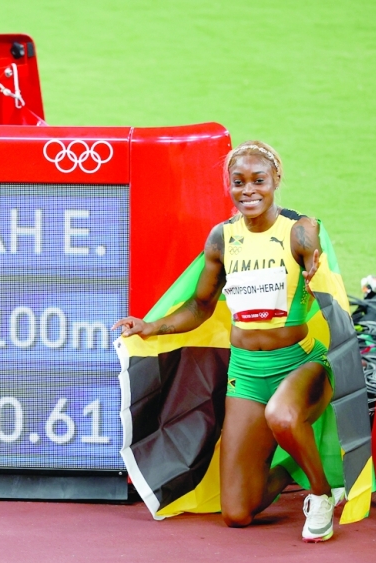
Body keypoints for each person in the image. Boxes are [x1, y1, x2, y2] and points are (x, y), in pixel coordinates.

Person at [113, 140, 338, 542]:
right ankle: (293, 467)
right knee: (236, 513)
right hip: (246, 375)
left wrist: (312, 267)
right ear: (229, 186)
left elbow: (313, 254)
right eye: (239, 182)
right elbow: (201, 306)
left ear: (276, 180)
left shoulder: (299, 229)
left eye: (258, 180)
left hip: (300, 364)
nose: (248, 190)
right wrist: (152, 326)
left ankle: (321, 494)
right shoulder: (222, 238)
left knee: (282, 415)